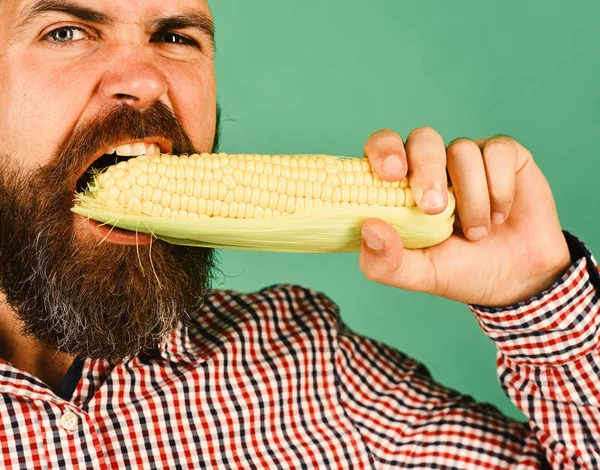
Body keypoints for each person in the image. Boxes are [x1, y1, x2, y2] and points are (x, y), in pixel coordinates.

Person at [0, 1, 596, 468]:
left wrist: (536, 293)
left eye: (175, 37)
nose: (147, 80)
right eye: (66, 32)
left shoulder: (308, 364)